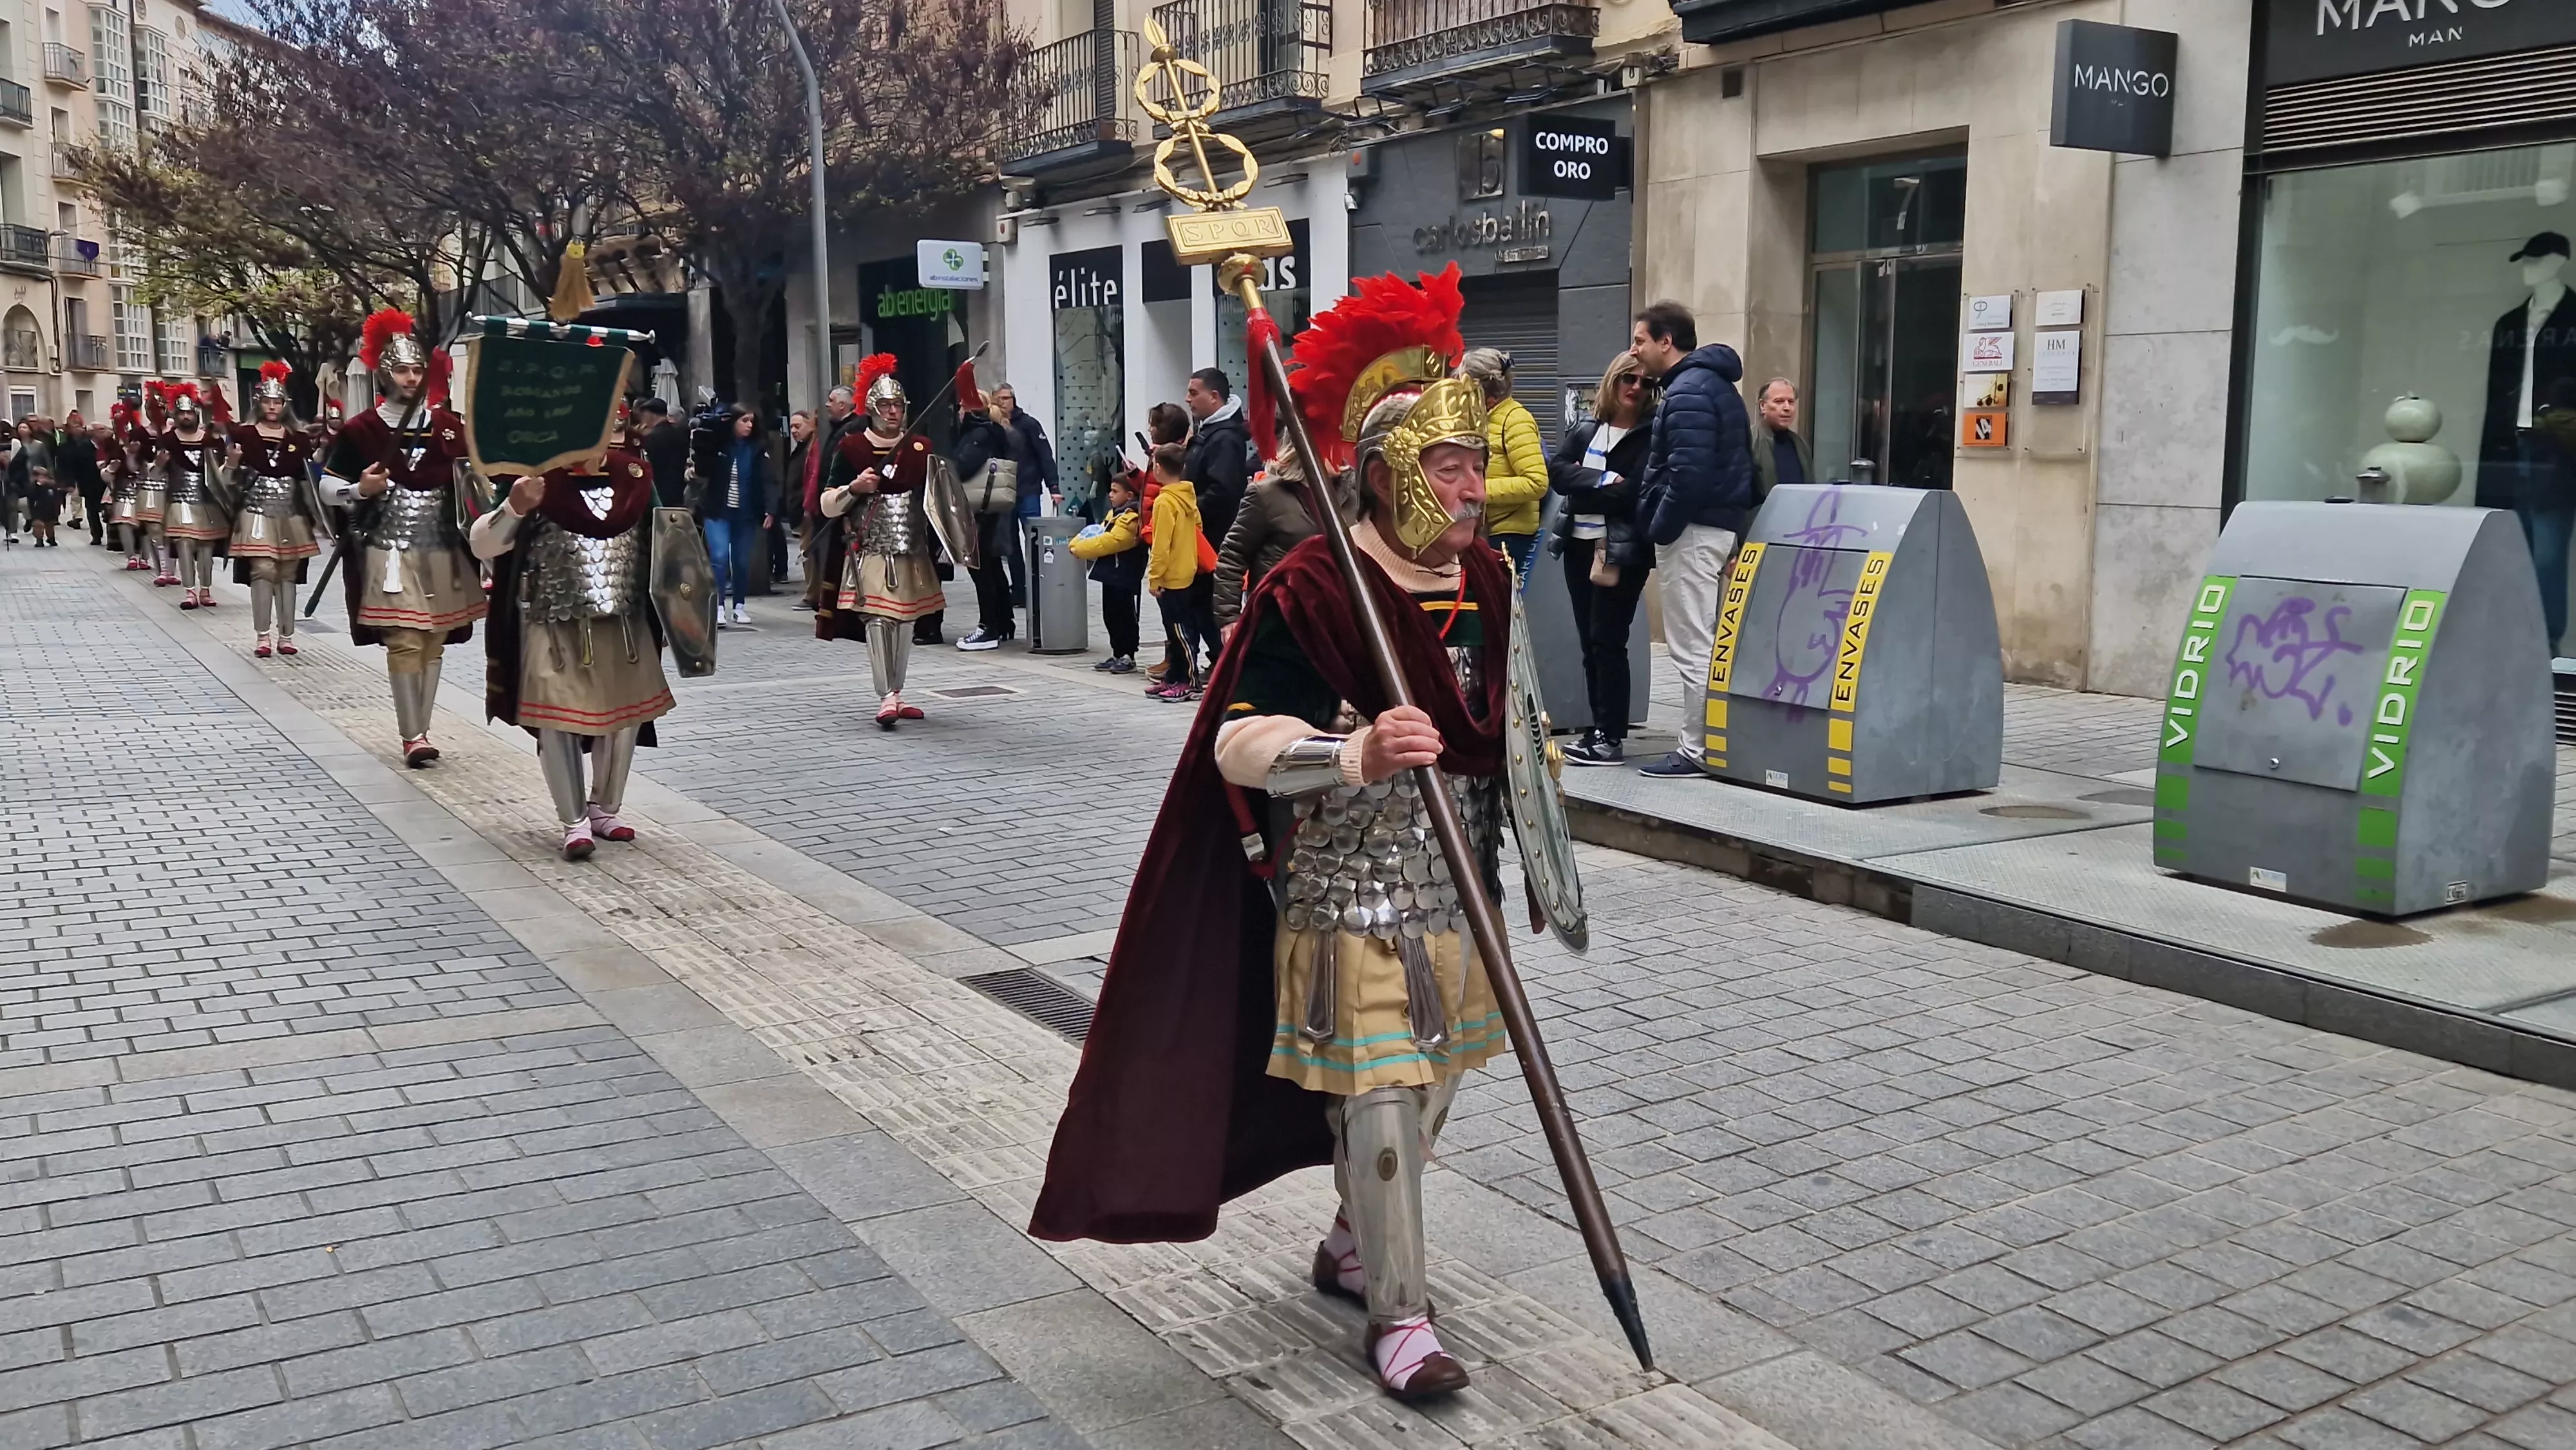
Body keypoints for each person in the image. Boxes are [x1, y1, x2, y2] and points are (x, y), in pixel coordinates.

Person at [1034, 263, 1506, 1404]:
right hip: (1345, 887)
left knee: (1434, 1084)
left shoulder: (1487, 577)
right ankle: (1401, 1316)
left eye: (1477, 464)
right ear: (1393, 472)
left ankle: (1353, 1239)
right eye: (1450, 465)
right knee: (1382, 1093)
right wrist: (1349, 752)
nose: (1474, 489)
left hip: (1457, 884)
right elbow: (1237, 743)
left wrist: (1536, 850)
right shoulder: (1315, 586)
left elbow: (1510, 723)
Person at [471, 442, 674, 860]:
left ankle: (604, 808)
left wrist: (676, 613)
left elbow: (666, 542)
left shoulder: (634, 476)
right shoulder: (529, 476)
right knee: (555, 719)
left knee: (624, 718)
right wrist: (513, 507)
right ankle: (573, 821)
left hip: (623, 616)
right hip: (550, 617)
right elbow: (483, 546)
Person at [321, 308, 485, 767]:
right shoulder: (362, 429)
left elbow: (474, 484)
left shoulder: (449, 425)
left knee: (435, 638)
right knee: (405, 638)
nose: (412, 377)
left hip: (441, 546)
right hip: (387, 547)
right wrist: (360, 489)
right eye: (402, 369)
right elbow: (327, 485)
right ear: (384, 372)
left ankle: (423, 729)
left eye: (418, 369)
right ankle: (412, 735)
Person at [1629, 300, 1755, 778]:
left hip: (1693, 530)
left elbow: (1688, 473)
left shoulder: (1687, 392)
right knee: (1708, 640)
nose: (1634, 350)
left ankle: (1697, 748)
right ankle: (1713, 742)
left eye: (1641, 340)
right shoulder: (1713, 385)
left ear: (1667, 341)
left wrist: (1659, 527)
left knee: (1692, 644)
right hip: (1712, 527)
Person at [816, 354, 940, 728]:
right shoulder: (852, 447)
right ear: (871, 408)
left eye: (897, 405)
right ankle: (885, 694)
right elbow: (826, 502)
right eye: (885, 405)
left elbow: (939, 497)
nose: (892, 412)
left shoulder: (920, 447)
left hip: (911, 548)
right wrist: (855, 488)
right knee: (878, 620)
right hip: (868, 547)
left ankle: (898, 692)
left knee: (905, 621)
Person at [1551, 351, 1658, 766]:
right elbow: (1558, 472)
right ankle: (1598, 729)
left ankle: (1610, 736)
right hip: (1578, 546)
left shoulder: (1651, 435)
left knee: (1607, 640)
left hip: (1621, 551)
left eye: (1646, 383)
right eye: (1628, 379)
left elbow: (1632, 493)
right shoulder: (1588, 429)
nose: (1635, 388)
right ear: (1612, 381)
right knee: (1589, 642)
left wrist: (1592, 485)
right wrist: (1599, 479)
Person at [229, 362, 325, 658]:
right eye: (268, 401)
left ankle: (287, 635)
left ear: (284, 405)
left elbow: (309, 480)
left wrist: (321, 518)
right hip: (255, 509)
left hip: (291, 511)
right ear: (259, 403)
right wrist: (232, 464)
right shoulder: (242, 435)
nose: (272, 406)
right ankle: (262, 636)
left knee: (287, 573)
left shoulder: (298, 439)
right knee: (263, 569)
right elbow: (225, 482)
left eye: (277, 401)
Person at [1211, 447, 1358, 634]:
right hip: (1279, 619)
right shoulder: (1266, 495)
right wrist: (1229, 618)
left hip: (1339, 619)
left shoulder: (1354, 496)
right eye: (1330, 445)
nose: (1340, 452)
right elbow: (1233, 556)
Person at [960, 380, 1058, 649]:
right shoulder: (999, 430)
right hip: (1000, 499)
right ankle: (1012, 606)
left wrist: (1054, 487)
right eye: (1001, 398)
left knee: (1001, 559)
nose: (1006, 402)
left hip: (1009, 497)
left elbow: (1044, 455)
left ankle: (998, 620)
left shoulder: (1003, 430)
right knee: (1004, 554)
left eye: (1009, 398)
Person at [951, 366, 1024, 651]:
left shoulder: (978, 434)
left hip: (981, 512)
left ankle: (988, 627)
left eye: (960, 406)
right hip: (990, 510)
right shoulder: (993, 431)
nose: (957, 411)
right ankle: (1004, 622)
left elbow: (963, 468)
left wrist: (946, 468)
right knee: (992, 568)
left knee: (981, 570)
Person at [1459, 348, 1547, 576]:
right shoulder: (1482, 419)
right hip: (1484, 527)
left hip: (1508, 533)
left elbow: (1536, 482)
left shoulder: (1516, 419)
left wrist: (1479, 490)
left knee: (1499, 602)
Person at [697, 405, 775, 627]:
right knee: (719, 557)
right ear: (732, 422)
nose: (749, 425)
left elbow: (769, 479)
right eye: (744, 421)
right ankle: (718, 606)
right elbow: (702, 466)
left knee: (741, 561)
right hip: (718, 510)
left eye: (752, 421)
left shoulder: (758, 448)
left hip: (747, 512)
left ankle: (739, 606)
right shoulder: (719, 445)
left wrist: (771, 509)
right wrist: (710, 431)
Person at [154, 388, 231, 612]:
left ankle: (205, 589)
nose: (186, 417)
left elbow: (221, 471)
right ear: (175, 416)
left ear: (196, 415)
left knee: (206, 545)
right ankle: (189, 591)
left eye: (190, 413)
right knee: (185, 543)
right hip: (179, 499)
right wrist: (159, 463)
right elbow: (157, 475)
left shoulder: (210, 440)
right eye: (182, 413)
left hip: (208, 499)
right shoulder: (167, 440)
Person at [1143, 442, 1208, 701]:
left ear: (1157, 468)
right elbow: (1199, 528)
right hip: (1187, 569)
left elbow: (1161, 544)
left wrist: (1154, 576)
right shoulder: (1188, 497)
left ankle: (1189, 680)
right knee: (1177, 628)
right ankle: (1174, 676)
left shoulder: (1164, 502)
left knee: (1179, 630)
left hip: (1172, 574)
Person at [1068, 467, 1144, 672]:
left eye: (1114, 491)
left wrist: (1079, 549)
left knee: (1125, 614)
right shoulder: (1114, 514)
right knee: (1110, 614)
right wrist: (1077, 544)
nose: (1110, 495)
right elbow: (1096, 533)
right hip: (1110, 573)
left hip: (1124, 573)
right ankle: (1117, 652)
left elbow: (1111, 541)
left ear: (1129, 495)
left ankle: (1128, 655)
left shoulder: (1132, 517)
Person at [1183, 368, 1252, 554]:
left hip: (1212, 542)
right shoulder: (1209, 432)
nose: (1187, 399)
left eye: (1194, 393)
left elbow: (1222, 493)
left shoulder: (1226, 439)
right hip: (1200, 536)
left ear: (1214, 396)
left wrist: (1186, 509)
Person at [106, 402, 153, 571]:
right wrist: (111, 469)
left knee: (147, 524)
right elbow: (106, 473)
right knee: (124, 523)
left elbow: (151, 468)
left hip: (144, 490)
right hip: (123, 490)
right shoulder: (116, 450)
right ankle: (131, 556)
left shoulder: (144, 451)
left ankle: (145, 557)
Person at [1750, 377, 1812, 505]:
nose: (1787, 407)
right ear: (1763, 406)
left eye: (1791, 401)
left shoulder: (1800, 444)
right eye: (1779, 401)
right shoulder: (1749, 440)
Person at [55, 410, 100, 547]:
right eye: (73, 426)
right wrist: (66, 480)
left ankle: (101, 533)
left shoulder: (89, 443)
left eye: (78, 426)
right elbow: (63, 464)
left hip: (95, 478)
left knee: (98, 507)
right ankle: (96, 534)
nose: (77, 429)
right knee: (91, 508)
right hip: (80, 478)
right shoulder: (64, 446)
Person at [636, 397, 688, 508]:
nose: (644, 420)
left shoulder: (652, 438)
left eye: (645, 415)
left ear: (653, 415)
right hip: (679, 490)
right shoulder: (680, 433)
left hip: (660, 492)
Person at [21, 461, 59, 546]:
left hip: (50, 509)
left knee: (50, 526)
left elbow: (56, 495)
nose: (42, 478)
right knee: (38, 525)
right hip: (37, 510)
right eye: (39, 476)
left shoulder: (51, 486)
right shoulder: (32, 486)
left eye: (44, 476)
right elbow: (29, 495)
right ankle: (39, 540)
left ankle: (51, 539)